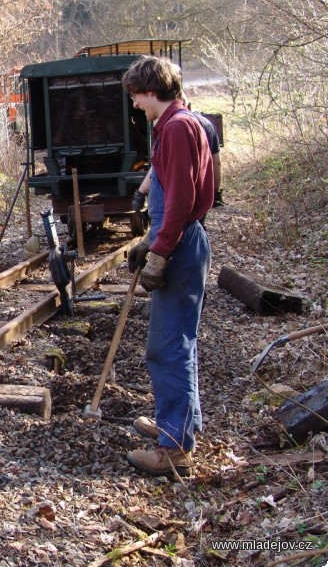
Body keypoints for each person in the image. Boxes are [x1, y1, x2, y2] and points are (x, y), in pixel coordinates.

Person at [122, 56, 213, 477]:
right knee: (178, 343)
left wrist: (159, 250)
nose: (135, 105)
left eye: (136, 96)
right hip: (180, 238)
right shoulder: (180, 122)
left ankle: (174, 447)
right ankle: (179, 424)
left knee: (167, 347)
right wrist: (150, 238)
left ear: (152, 90)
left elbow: (179, 197)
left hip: (179, 244)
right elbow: (173, 197)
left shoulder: (176, 127)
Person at [132, 101, 223, 213]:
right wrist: (215, 193)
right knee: (195, 224)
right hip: (201, 191)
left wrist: (141, 192)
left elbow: (158, 164)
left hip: (178, 198)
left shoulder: (172, 126)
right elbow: (216, 163)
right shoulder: (207, 125)